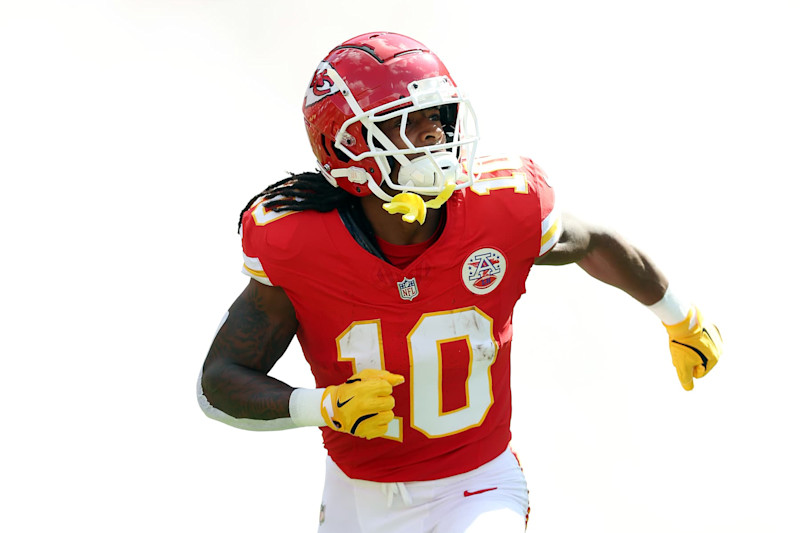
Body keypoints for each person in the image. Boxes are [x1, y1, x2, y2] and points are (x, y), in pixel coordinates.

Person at [197, 32, 722, 532]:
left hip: (479, 485)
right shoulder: (301, 244)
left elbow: (596, 244)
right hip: (358, 492)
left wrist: (680, 316)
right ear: (345, 143)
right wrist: (323, 406)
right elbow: (219, 381)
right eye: (406, 120)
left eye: (438, 116)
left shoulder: (500, 211)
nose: (435, 133)